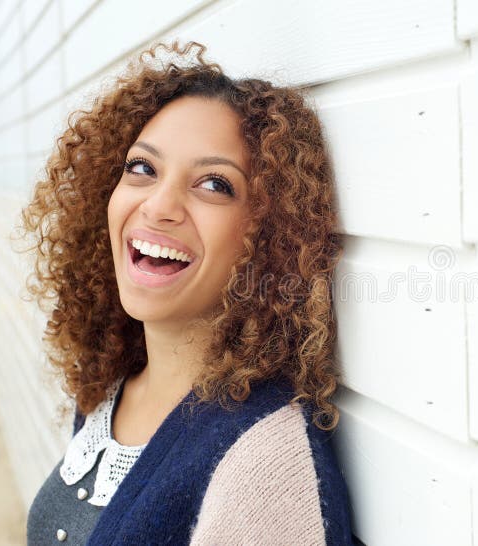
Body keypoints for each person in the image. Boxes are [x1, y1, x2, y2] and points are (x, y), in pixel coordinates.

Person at [20, 40, 354, 545]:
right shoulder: (109, 385)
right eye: (142, 168)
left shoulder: (263, 461)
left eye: (215, 184)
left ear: (267, 235)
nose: (159, 206)